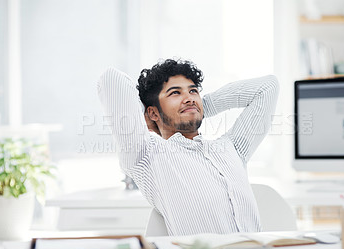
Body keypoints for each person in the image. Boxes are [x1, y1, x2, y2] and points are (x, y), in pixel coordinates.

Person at [97, 59, 279, 236]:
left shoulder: (232, 148)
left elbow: (268, 87)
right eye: (175, 93)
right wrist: (148, 118)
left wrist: (201, 107)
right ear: (152, 112)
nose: (189, 98)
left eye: (193, 91)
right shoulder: (147, 155)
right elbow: (111, 80)